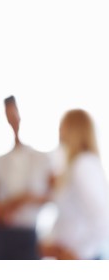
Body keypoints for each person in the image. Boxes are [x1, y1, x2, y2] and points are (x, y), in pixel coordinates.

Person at [0, 95, 54, 260]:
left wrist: (22, 200)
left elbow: (52, 195)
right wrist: (23, 199)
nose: (13, 121)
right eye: (8, 115)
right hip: (2, 234)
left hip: (28, 234)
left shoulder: (43, 159)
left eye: (14, 114)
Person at [40, 109, 109, 260]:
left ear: (75, 129)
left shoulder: (83, 165)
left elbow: (104, 219)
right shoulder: (75, 164)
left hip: (82, 257)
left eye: (62, 126)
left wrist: (78, 253)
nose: (59, 132)